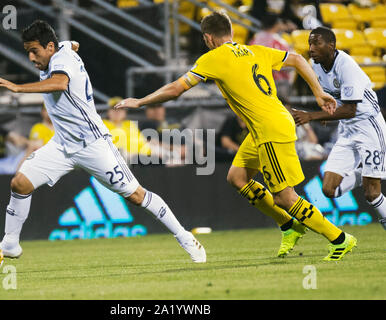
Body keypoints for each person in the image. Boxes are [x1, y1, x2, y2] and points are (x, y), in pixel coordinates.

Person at [116, 11, 356, 261]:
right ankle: (288, 226)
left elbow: (176, 89)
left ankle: (339, 239)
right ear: (230, 32)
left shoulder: (214, 58)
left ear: (208, 38)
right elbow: (297, 59)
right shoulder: (256, 50)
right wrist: (318, 92)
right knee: (237, 177)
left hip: (269, 129)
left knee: (285, 196)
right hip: (265, 126)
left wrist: (141, 101)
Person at [0, 20, 206, 263]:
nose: (30, 57)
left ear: (50, 47)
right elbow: (72, 43)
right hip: (62, 145)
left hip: (93, 144)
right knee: (20, 183)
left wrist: (19, 89)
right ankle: (10, 243)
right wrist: (71, 44)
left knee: (136, 195)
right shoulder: (60, 49)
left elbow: (60, 83)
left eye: (34, 51)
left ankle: (184, 236)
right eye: (27, 51)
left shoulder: (62, 61)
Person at [292, 26, 386, 230]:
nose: (311, 48)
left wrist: (312, 116)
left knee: (372, 194)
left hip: (368, 125)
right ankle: (364, 173)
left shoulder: (346, 66)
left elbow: (351, 109)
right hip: (347, 129)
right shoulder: (315, 65)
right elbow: (330, 96)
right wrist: (325, 109)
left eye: (316, 43)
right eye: (309, 43)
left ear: (331, 45)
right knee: (328, 190)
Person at [103, 97, 151, 164]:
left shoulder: (129, 124)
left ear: (125, 112)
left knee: (157, 148)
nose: (117, 112)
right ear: (108, 112)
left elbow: (142, 142)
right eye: (114, 108)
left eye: (121, 109)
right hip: (114, 158)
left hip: (136, 155)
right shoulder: (103, 124)